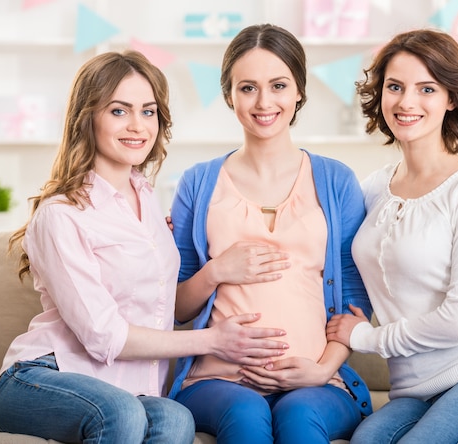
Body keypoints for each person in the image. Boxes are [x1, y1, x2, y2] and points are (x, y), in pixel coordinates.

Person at [0, 49, 289, 444]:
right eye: (118, 111)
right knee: (121, 412)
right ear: (87, 118)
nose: (137, 126)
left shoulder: (147, 203)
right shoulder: (61, 214)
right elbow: (104, 336)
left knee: (175, 418)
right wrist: (214, 340)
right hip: (43, 379)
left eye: (148, 112)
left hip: (131, 390)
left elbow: (167, 305)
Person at [326, 29, 458, 443]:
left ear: (451, 98)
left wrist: (367, 338)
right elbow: (317, 237)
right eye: (395, 87)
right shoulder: (371, 189)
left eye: (427, 88)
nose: (406, 102)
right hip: (414, 392)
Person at [169, 24, 373, 444]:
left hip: (318, 379)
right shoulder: (197, 183)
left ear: (298, 90)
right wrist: (216, 271)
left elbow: (355, 303)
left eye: (278, 85)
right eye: (248, 88)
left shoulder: (336, 181)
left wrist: (321, 369)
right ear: (229, 95)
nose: (264, 102)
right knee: (245, 414)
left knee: (299, 419)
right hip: (218, 377)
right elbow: (176, 306)